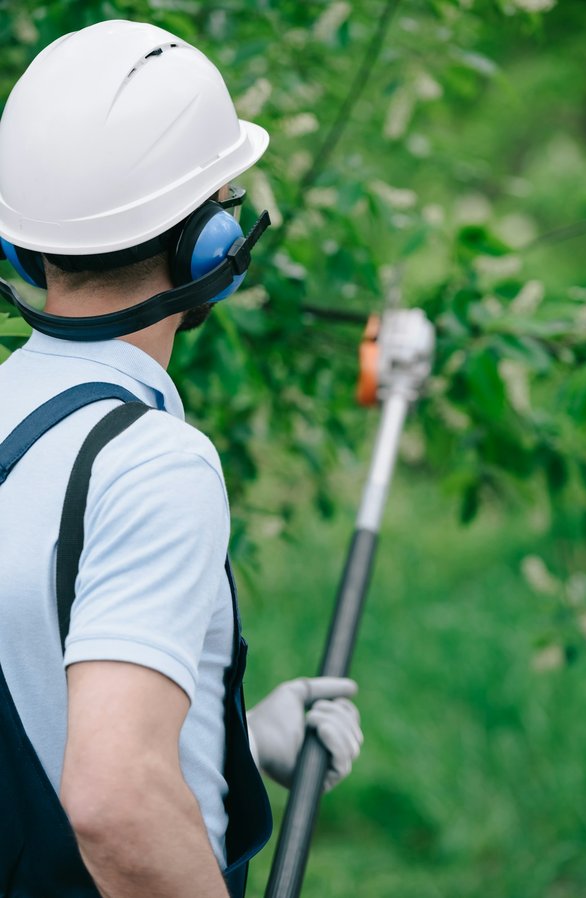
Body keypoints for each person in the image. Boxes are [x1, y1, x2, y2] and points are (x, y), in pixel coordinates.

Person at [0, 20, 363, 898]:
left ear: (21, 243)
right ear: (207, 248)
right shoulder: (150, 463)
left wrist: (226, 732)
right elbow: (116, 799)